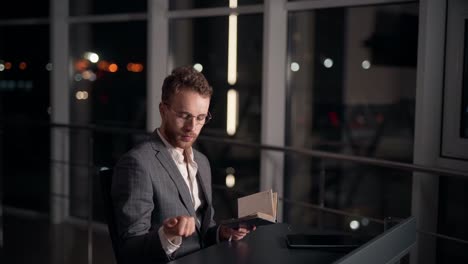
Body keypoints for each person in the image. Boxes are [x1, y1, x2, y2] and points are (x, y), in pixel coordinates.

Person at [112, 66, 253, 263]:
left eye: (200, 118)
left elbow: (203, 229)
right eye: (184, 116)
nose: (192, 127)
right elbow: (130, 251)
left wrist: (221, 232)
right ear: (163, 110)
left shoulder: (202, 162)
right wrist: (168, 235)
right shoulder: (137, 164)